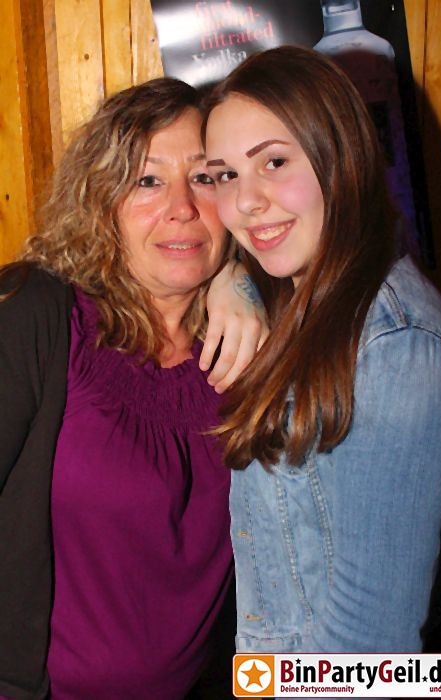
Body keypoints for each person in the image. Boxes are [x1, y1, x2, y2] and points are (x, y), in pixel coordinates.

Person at [0, 77, 267, 700]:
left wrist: (243, 274)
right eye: (148, 180)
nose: (182, 207)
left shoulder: (252, 341)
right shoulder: (38, 317)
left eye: (204, 178)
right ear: (101, 201)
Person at [203, 44, 441, 661]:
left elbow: (367, 654)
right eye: (225, 175)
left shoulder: (397, 349)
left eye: (273, 162)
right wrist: (232, 278)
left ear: (339, 155)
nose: (245, 201)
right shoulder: (307, 294)